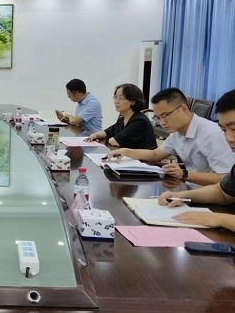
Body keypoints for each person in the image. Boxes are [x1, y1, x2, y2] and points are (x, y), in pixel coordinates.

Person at [107, 88, 235, 186]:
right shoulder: (176, 133)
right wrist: (125, 151)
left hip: (212, 197)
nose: (162, 122)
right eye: (158, 118)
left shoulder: (213, 134)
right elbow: (155, 155)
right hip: (189, 189)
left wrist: (184, 174)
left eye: (165, 116)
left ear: (183, 109)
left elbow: (225, 178)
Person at [157, 89, 235, 229]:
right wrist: (181, 195)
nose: (228, 138)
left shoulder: (209, 133)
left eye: (234, 129)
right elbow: (222, 192)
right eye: (223, 130)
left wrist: (218, 218)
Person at [85, 84, 156, 149]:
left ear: (133, 101)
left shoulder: (140, 121)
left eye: (121, 98)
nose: (116, 101)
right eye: (115, 97)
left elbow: (115, 142)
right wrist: (95, 135)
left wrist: (110, 139)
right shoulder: (122, 119)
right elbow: (107, 132)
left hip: (144, 159)